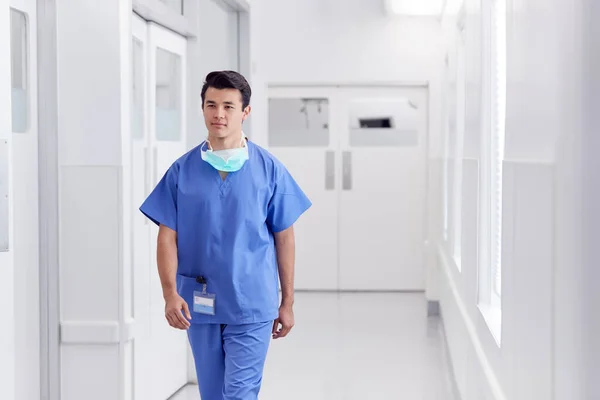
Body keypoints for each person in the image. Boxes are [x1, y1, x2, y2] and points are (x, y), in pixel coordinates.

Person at [139, 70, 311, 400]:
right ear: (202, 108)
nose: (219, 114)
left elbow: (284, 237)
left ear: (245, 112)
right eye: (211, 105)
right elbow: (166, 238)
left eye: (229, 106)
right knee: (213, 394)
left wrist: (287, 301)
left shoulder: (268, 169)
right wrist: (169, 294)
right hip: (200, 303)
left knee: (239, 394)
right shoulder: (182, 170)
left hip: (252, 302)